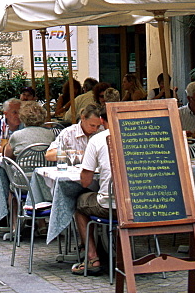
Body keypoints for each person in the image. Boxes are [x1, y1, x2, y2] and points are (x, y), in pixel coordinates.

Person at [71, 104, 113, 275]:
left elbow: (86, 181)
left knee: (80, 202)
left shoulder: (98, 139)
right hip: (143, 204)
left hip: (111, 206)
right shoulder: (141, 137)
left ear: (102, 121)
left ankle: (92, 257)